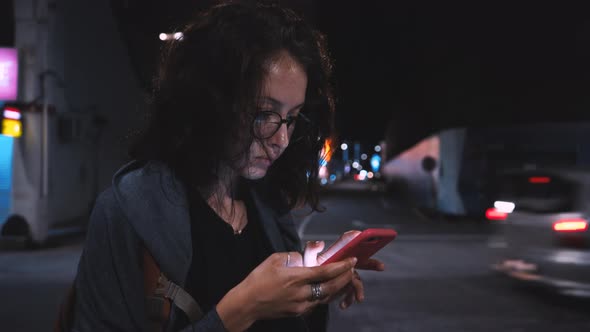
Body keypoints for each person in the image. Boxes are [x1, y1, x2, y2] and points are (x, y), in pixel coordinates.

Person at [70, 1, 385, 331]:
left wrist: (315, 286)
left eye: (292, 118)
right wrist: (240, 309)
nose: (282, 139)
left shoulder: (268, 203)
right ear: (211, 101)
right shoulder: (127, 211)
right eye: (264, 113)